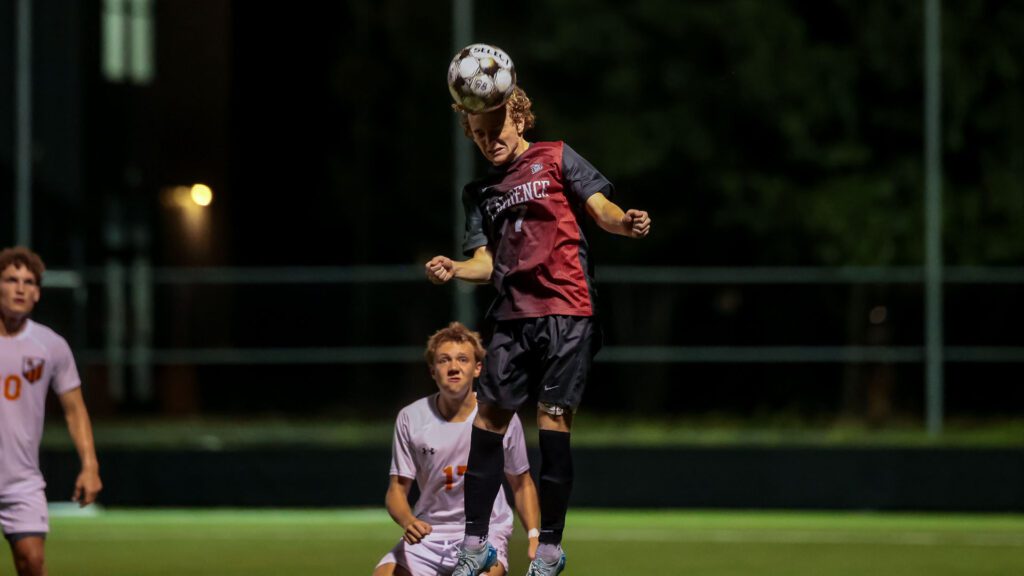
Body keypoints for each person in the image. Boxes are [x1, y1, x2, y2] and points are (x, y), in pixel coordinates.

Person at [425, 86, 651, 576]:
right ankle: (475, 544)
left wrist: (625, 223)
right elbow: (486, 261)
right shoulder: (479, 193)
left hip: (568, 312)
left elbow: (601, 209)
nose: (488, 142)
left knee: (553, 427)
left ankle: (548, 550)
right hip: (511, 318)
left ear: (519, 119)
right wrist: (456, 268)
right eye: (478, 136)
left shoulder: (557, 156)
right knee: (486, 426)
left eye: (495, 131)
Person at [373, 321, 540, 576]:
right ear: (432, 371)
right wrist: (408, 521)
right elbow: (397, 488)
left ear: (477, 368)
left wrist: (533, 535)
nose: (453, 367)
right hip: (429, 533)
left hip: (485, 531)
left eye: (463, 359)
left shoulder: (500, 417)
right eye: (444, 360)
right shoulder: (411, 417)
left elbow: (522, 483)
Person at [0, 246, 103, 576]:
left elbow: (75, 411)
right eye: (11, 279)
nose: (20, 288)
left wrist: (90, 466)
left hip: (21, 482)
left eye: (29, 282)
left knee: (32, 561)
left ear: (38, 293)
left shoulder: (51, 346)